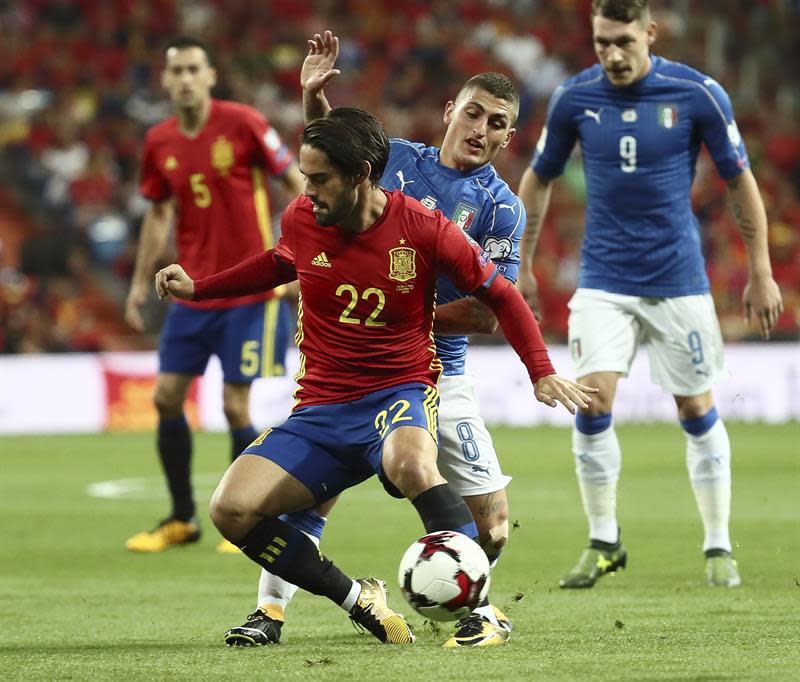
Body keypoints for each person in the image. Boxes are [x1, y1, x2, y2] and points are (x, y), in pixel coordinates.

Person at [155, 106, 597, 644]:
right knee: (230, 509)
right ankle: (356, 599)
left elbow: (500, 295)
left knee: (411, 463)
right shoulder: (301, 217)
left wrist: (541, 370)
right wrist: (199, 287)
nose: (306, 190)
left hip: (398, 392)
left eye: (319, 179)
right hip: (319, 408)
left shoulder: (424, 228)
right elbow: (278, 262)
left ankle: (480, 612)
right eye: (304, 177)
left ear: (361, 175)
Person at [224, 31, 529, 649]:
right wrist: (313, 98)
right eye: (472, 112)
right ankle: (271, 612)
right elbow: (331, 159)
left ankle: (479, 601)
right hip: (355, 365)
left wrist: (396, 312)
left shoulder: (501, 209)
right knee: (313, 492)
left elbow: (486, 314)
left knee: (492, 525)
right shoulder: (401, 160)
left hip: (442, 368)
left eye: (496, 124)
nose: (480, 128)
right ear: (450, 111)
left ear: (506, 139)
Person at [517, 0, 784, 589]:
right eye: (601, 42)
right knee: (591, 403)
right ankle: (604, 540)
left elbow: (741, 182)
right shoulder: (574, 97)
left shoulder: (697, 92)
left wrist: (761, 269)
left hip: (678, 279)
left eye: (623, 42)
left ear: (650, 33)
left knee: (695, 407)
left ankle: (718, 546)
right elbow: (537, 179)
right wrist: (523, 262)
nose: (611, 54)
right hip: (603, 279)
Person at [123, 37, 305, 553]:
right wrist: (140, 282)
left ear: (210, 76)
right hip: (191, 291)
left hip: (249, 290)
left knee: (232, 403)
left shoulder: (244, 122)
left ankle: (244, 517)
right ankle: (181, 518)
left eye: (192, 69)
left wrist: (303, 252)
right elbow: (159, 214)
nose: (183, 77)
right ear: (165, 80)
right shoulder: (159, 141)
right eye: (174, 69)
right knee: (164, 397)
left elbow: (294, 181)